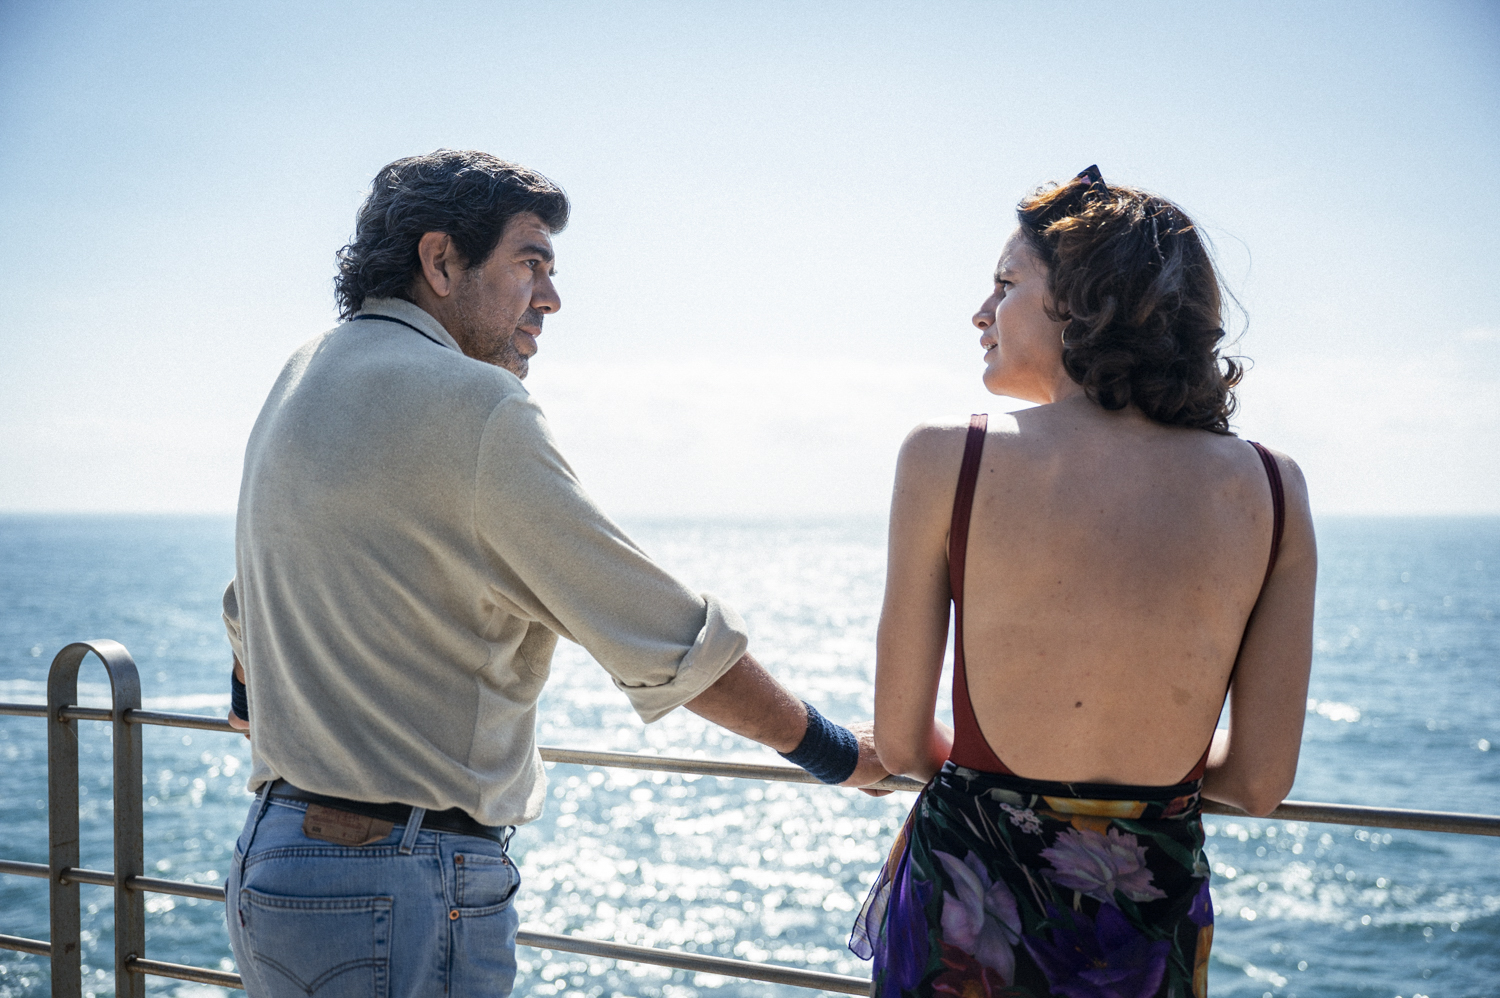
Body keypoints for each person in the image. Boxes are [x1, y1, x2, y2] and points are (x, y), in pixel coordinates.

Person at [219, 149, 888, 998]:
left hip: (274, 863)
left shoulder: (304, 373)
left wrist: (267, 704)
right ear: (440, 261)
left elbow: (249, 610)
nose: (550, 298)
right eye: (530, 264)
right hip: (397, 881)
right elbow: (658, 635)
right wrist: (837, 753)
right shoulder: (476, 404)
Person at [850, 166, 1315, 998]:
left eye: (1006, 284)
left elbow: (901, 745)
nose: (981, 312)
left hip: (965, 917)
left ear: (1081, 302)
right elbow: (1258, 781)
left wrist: (1013, 777)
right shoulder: (1272, 488)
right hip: (1143, 936)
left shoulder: (946, 456)